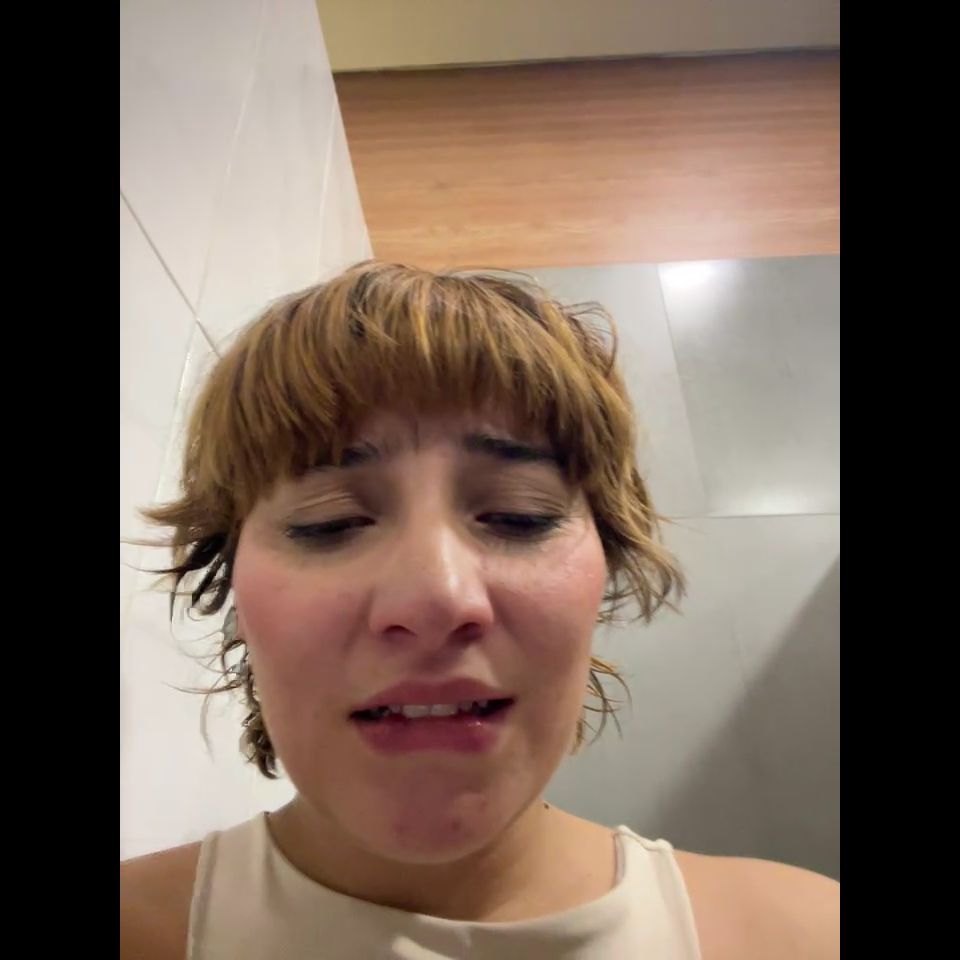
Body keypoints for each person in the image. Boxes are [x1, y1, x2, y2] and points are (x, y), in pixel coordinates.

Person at [120, 262, 839, 959]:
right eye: (329, 521)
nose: (438, 596)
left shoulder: (804, 937)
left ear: (605, 571)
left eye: (520, 515)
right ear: (230, 586)